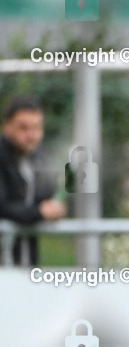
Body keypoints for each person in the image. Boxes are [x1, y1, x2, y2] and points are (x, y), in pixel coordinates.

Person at [0, 94, 65, 265]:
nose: (31, 135)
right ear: (7, 127)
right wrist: (39, 212)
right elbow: (3, 206)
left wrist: (55, 207)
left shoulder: (37, 157)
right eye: (23, 128)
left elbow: (46, 194)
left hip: (26, 258)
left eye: (36, 128)